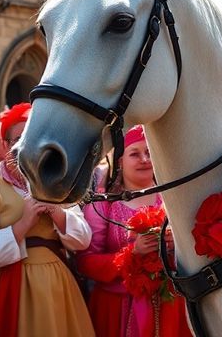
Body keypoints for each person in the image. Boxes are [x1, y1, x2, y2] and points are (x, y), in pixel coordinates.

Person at [0, 103, 95, 337]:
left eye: (34, 138)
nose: (27, 148)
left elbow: (83, 240)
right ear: (5, 145)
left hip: (58, 288)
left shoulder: (58, 184)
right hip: (6, 290)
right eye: (18, 140)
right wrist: (22, 224)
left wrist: (57, 211)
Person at [78, 126, 190, 336]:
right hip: (117, 307)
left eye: (149, 152)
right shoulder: (103, 205)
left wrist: (176, 244)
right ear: (120, 161)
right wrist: (132, 253)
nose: (144, 159)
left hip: (169, 305)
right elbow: (85, 262)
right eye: (135, 154)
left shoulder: (172, 199)